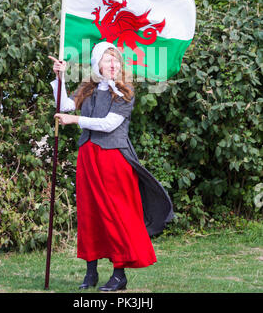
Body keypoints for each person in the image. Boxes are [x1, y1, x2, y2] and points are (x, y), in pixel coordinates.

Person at [49, 41, 173, 292]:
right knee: (90, 214)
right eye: (108, 59)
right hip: (88, 157)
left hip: (114, 160)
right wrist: (59, 78)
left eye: (116, 59)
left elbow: (108, 124)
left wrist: (76, 120)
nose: (113, 64)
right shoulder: (89, 88)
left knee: (115, 216)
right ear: (98, 64)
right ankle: (91, 272)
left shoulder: (124, 91)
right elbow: (64, 106)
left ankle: (119, 274)